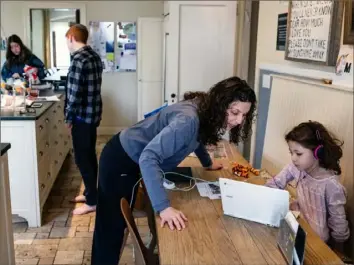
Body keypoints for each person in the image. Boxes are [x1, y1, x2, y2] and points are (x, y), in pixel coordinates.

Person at [91, 76, 257, 265]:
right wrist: (163, 208)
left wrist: (206, 162)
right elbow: (148, 158)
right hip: (120, 160)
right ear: (220, 105)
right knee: (111, 228)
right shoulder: (187, 120)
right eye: (235, 112)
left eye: (244, 115)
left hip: (130, 156)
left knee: (113, 226)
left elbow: (198, 136)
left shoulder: (203, 108)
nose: (239, 121)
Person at [265, 121, 350, 253]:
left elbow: (338, 226)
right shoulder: (296, 168)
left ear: (318, 153)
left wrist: (337, 253)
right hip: (299, 228)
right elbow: (275, 184)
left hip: (318, 243)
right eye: (291, 152)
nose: (293, 158)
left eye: (298, 154)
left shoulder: (330, 185)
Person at [64, 24, 103, 215]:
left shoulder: (79, 59)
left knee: (82, 159)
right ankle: (91, 193)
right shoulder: (93, 56)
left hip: (81, 118)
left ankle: (93, 202)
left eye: (66, 40)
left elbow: (74, 95)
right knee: (89, 157)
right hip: (92, 116)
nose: (67, 44)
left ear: (71, 37)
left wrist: (68, 118)